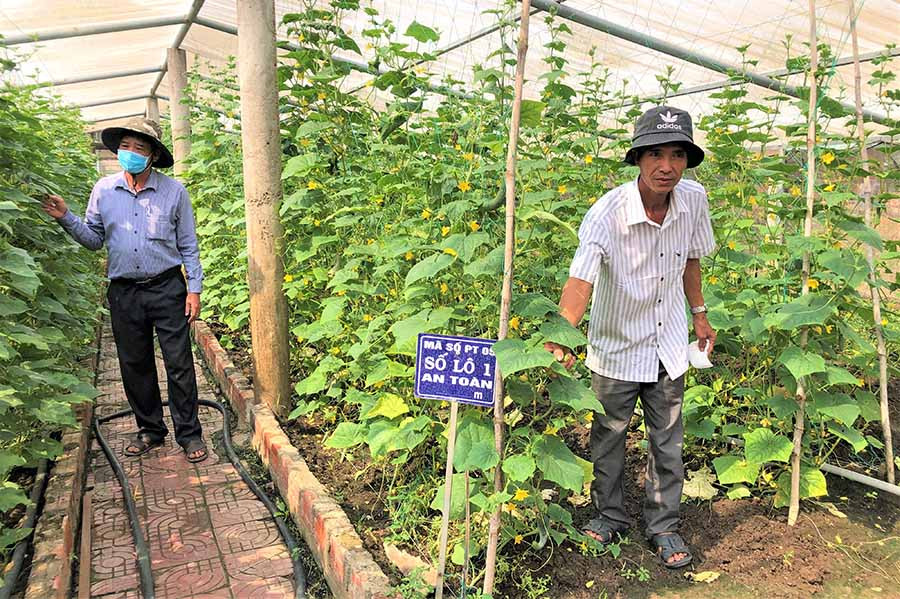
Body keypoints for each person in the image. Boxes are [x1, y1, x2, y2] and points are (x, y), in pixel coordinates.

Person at [545, 105, 716, 569]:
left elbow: (692, 261)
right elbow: (581, 281)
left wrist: (699, 314)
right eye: (656, 154)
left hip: (667, 344)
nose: (667, 166)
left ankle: (664, 525)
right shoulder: (607, 212)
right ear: (638, 158)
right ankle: (609, 515)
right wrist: (563, 335)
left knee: (667, 438)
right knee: (609, 434)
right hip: (617, 345)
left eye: (678, 154)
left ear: (687, 159)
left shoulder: (694, 201)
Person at [41, 117, 208, 463]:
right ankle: (150, 430)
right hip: (124, 291)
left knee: (179, 363)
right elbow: (93, 239)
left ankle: (189, 434)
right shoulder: (104, 190)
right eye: (125, 147)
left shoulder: (173, 192)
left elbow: (188, 245)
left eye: (140, 148)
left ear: (152, 156)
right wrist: (65, 217)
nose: (130, 153)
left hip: (167, 287)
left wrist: (194, 290)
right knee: (135, 364)